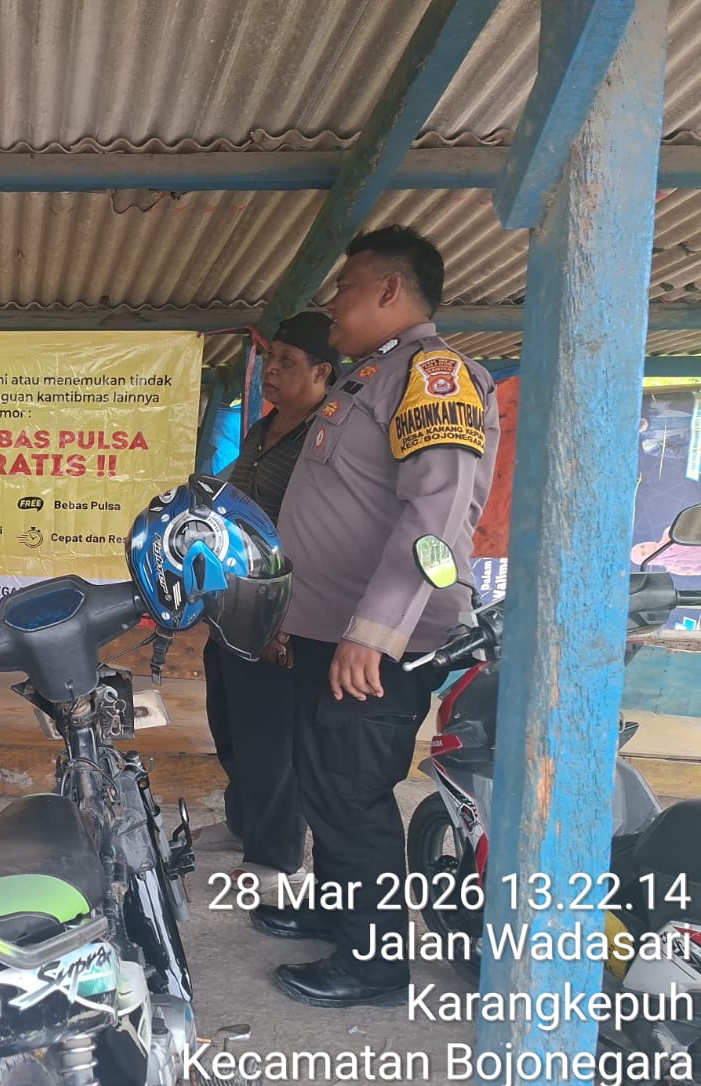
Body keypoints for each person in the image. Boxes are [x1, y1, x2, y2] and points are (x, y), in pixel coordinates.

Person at [258, 226, 499, 1007]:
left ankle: (374, 962)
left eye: (345, 286)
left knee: (353, 791)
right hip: (330, 630)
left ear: (390, 289)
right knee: (325, 783)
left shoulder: (435, 376)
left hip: (379, 640)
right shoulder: (372, 377)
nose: (333, 303)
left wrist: (375, 632)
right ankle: (341, 915)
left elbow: (435, 516)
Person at [200, 312, 339, 906]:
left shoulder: (325, 438)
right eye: (271, 357)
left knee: (271, 738)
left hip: (283, 614)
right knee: (230, 723)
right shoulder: (265, 429)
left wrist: (289, 618)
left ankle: (275, 859)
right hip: (236, 603)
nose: (272, 370)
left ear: (322, 372)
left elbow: (321, 534)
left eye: (287, 360)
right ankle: (243, 824)